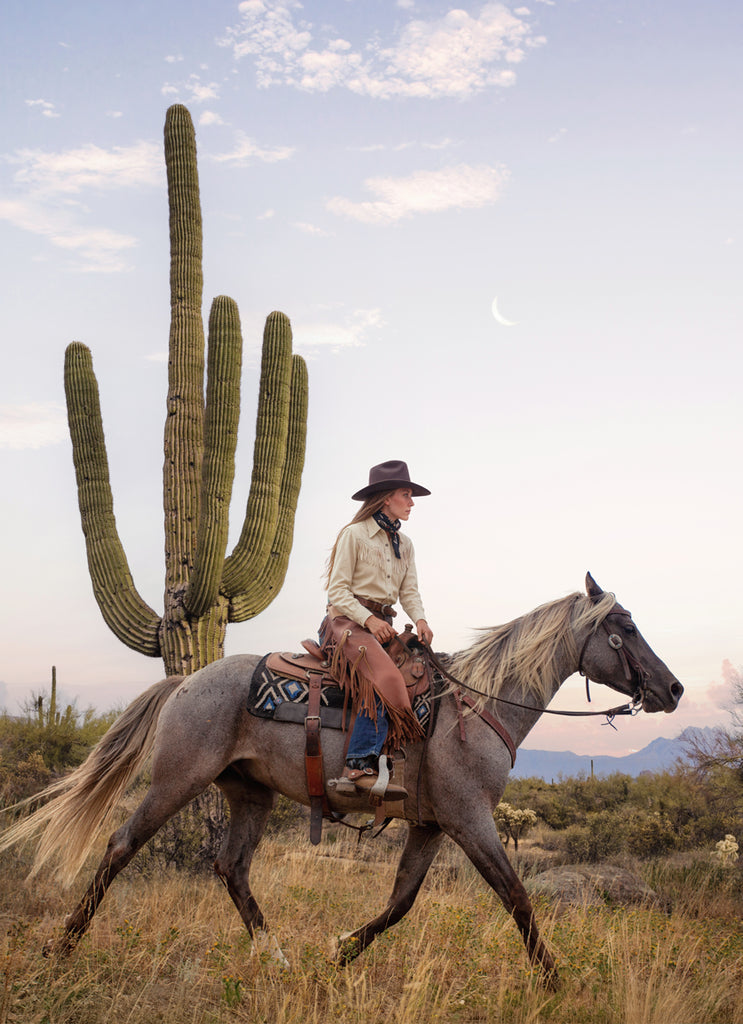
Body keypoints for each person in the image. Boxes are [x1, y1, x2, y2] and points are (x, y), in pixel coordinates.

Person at [320, 460, 434, 799]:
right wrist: (368, 620)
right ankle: (357, 765)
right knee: (385, 679)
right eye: (405, 494)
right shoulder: (354, 535)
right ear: (386, 498)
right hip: (345, 623)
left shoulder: (406, 544)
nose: (411, 502)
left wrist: (423, 620)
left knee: (420, 675)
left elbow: (409, 592)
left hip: (381, 626)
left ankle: (393, 761)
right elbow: (337, 591)